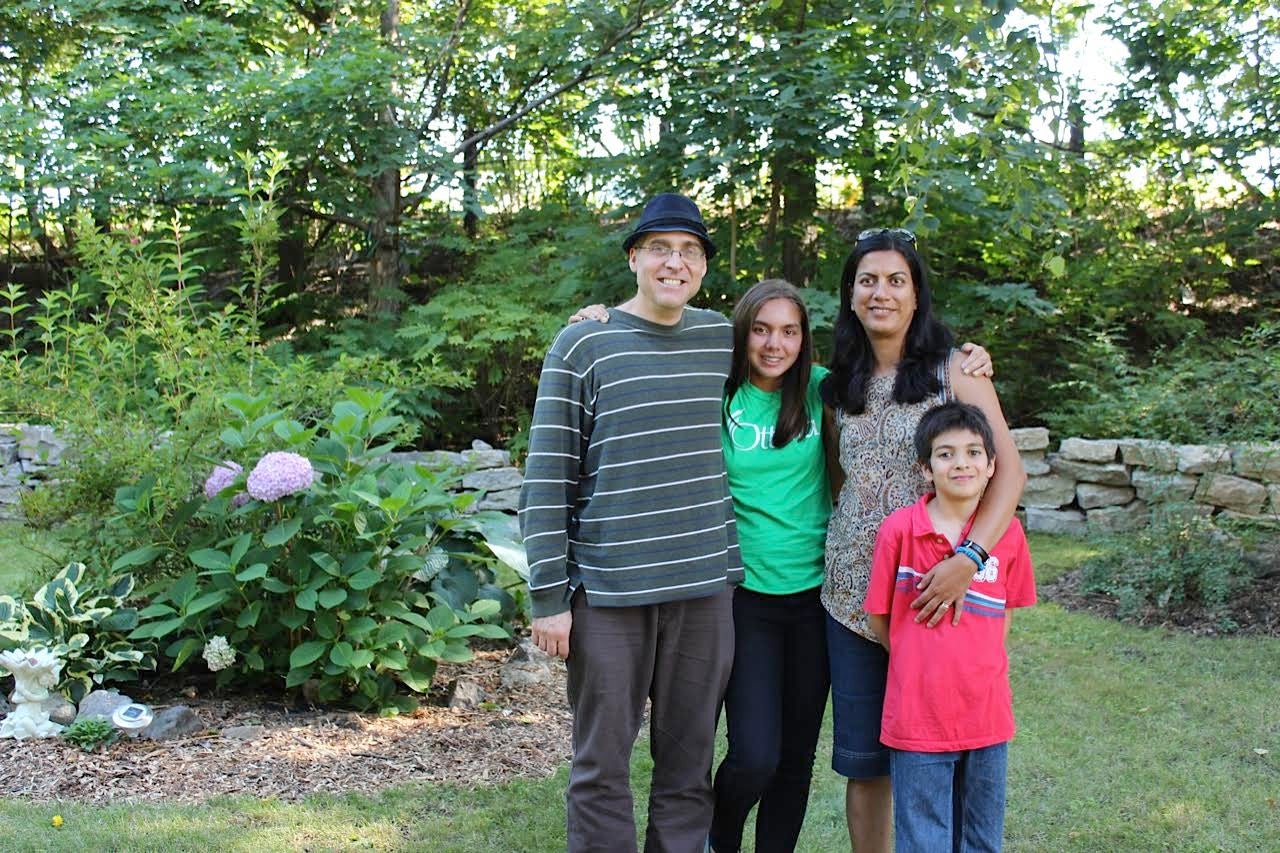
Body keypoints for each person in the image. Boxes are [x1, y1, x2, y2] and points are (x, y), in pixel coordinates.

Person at [572, 278, 992, 853]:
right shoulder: (714, 393)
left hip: (814, 597)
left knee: (794, 761)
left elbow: (898, 395)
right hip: (741, 595)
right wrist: (602, 318)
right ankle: (718, 837)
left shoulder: (826, 391)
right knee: (753, 755)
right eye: (762, 330)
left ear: (804, 341)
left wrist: (967, 355)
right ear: (742, 334)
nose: (775, 344)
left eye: (789, 331)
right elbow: (658, 346)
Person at [520, 192, 740, 853]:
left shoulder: (721, 339)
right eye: (661, 248)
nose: (676, 262)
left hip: (703, 588)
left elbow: (815, 366)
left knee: (687, 766)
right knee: (600, 764)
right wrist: (548, 598)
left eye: (691, 251)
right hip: (609, 594)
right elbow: (547, 474)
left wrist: (962, 361)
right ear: (634, 258)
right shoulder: (583, 342)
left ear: (703, 266)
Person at [820, 228, 1025, 853]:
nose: (880, 292)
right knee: (865, 759)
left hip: (939, 593)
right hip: (853, 599)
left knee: (950, 747)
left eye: (896, 280)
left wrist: (970, 559)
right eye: (867, 280)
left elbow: (1008, 471)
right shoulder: (835, 385)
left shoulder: (956, 371)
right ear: (851, 295)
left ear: (916, 296)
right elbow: (836, 478)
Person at [864, 401, 1036, 852]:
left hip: (986, 712)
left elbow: (1005, 615)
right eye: (946, 454)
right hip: (918, 714)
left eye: (974, 452)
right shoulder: (899, 531)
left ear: (992, 465)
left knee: (981, 837)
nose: (961, 462)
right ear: (925, 468)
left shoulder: (1008, 534)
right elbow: (879, 618)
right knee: (924, 838)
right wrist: (915, 659)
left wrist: (976, 668)